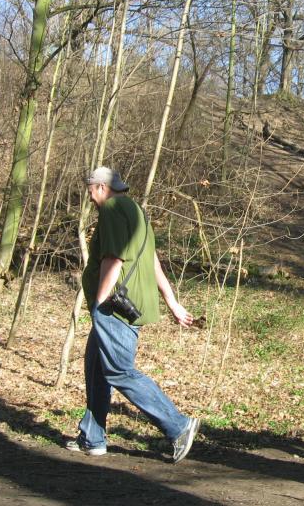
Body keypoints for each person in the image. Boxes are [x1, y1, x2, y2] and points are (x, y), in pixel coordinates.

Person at [68, 166, 200, 463]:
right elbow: (151, 260)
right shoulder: (136, 211)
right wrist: (172, 302)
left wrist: (100, 300)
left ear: (101, 187)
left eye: (90, 191)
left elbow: (113, 258)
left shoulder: (112, 209)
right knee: (96, 368)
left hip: (113, 308)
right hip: (126, 304)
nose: (89, 197)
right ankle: (92, 438)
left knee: (119, 371)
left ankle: (179, 426)